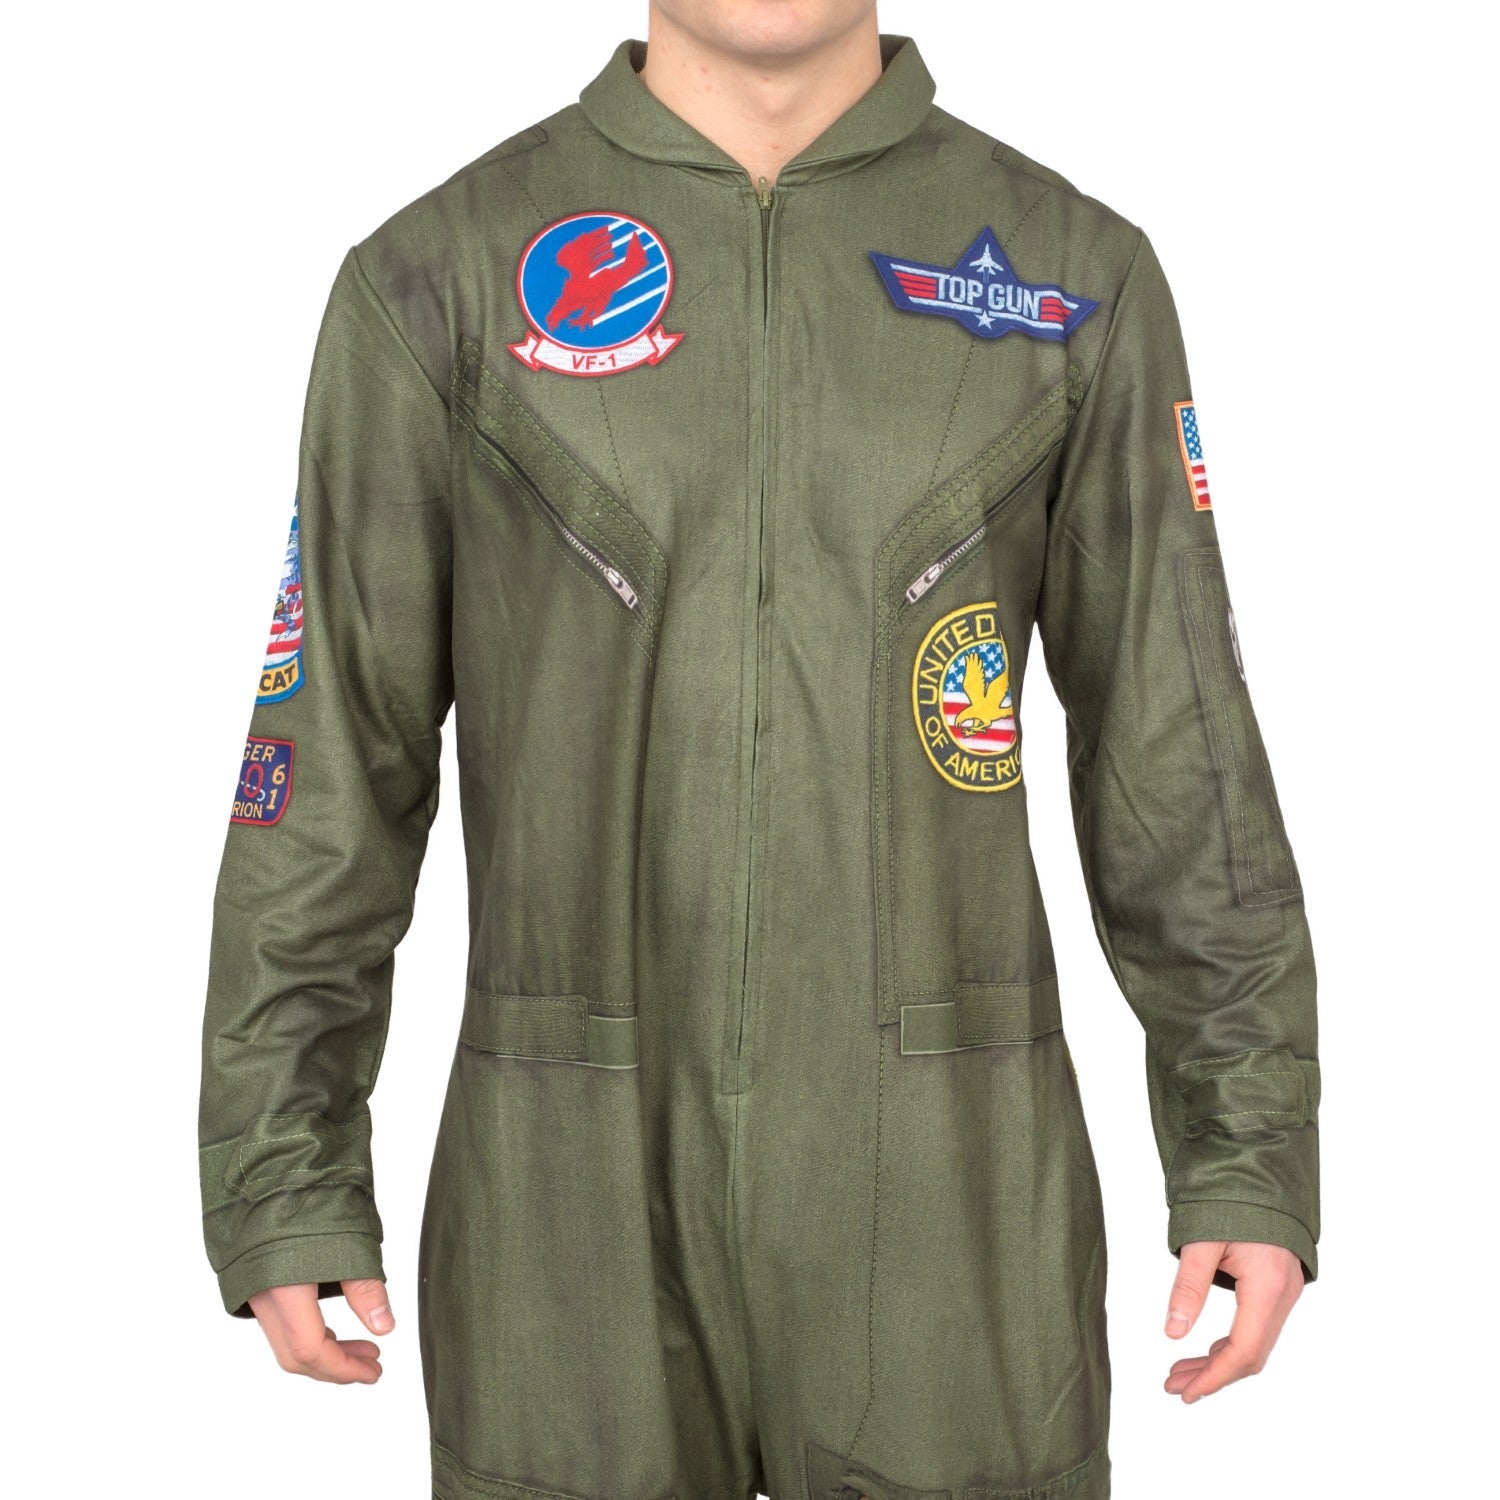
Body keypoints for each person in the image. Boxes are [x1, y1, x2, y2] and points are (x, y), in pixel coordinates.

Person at [198, 3, 1321, 1496]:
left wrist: (1249, 1145)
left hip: (950, 1198)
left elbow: (1179, 754)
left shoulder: (1071, 277)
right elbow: (330, 753)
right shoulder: (437, 280)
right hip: (565, 1204)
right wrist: (282, 1171)